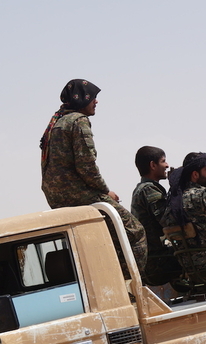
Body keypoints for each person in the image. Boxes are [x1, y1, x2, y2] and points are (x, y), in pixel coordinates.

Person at [40, 79, 147, 273]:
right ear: (81, 98)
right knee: (134, 231)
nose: (96, 102)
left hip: (56, 198)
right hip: (77, 193)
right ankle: (127, 284)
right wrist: (106, 192)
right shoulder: (78, 120)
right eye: (92, 97)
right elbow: (86, 165)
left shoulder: (57, 122)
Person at [131, 146, 182, 286]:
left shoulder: (142, 188)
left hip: (153, 259)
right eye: (163, 161)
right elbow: (171, 221)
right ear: (153, 165)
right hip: (158, 261)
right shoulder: (149, 189)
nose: (167, 165)